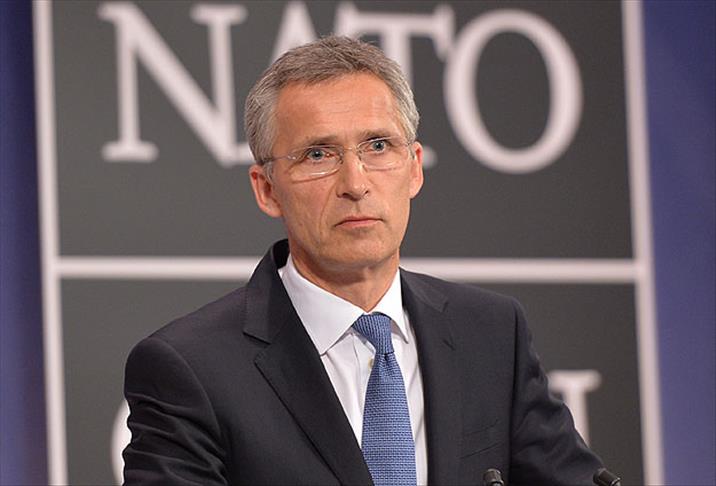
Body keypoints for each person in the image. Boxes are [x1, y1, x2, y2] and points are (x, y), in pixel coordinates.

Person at [122, 36, 603, 485]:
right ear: (267, 189)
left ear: (414, 168)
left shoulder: (492, 333)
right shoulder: (190, 368)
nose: (355, 183)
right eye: (318, 154)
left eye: (378, 146)